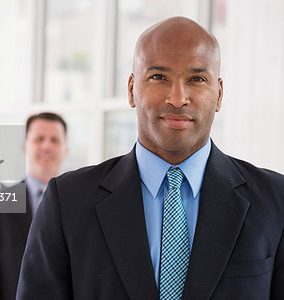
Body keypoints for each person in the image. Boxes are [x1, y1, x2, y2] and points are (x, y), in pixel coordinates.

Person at [16, 17, 284, 300]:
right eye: (158, 77)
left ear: (219, 94)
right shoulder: (67, 202)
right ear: (132, 89)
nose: (178, 98)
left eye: (196, 79)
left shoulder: (275, 200)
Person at [0, 112, 68, 300]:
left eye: (54, 140)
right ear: (25, 146)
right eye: (39, 139)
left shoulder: (80, 203)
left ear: (65, 149)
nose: (46, 146)